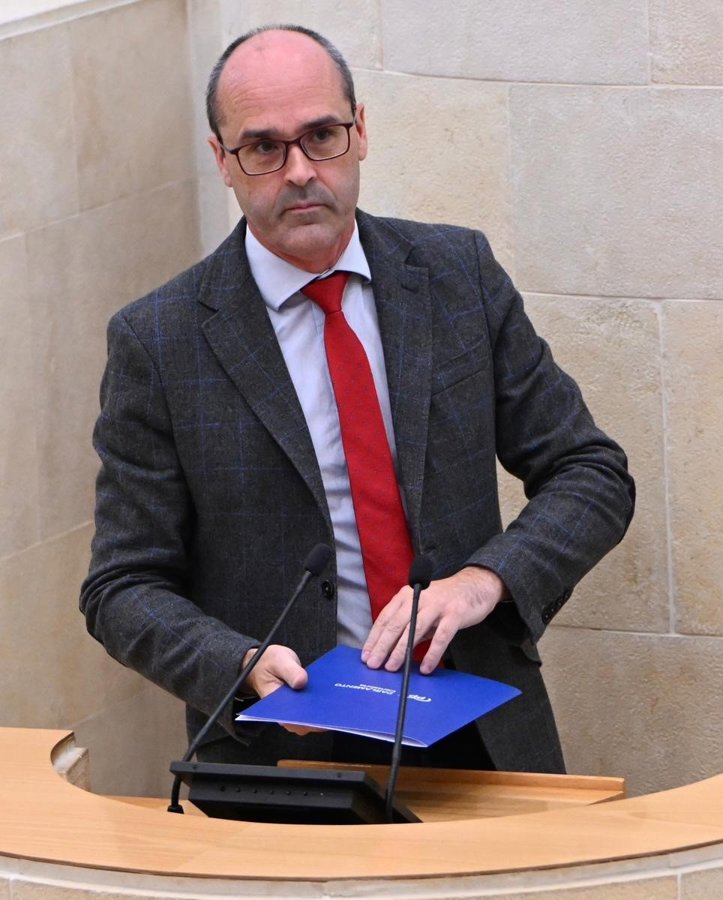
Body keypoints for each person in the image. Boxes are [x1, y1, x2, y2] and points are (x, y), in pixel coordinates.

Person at [79, 24, 634, 774]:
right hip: (281, 747)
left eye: (321, 136)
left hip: (480, 728)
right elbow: (121, 586)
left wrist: (487, 580)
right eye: (264, 147)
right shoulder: (159, 341)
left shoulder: (458, 275)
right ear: (222, 161)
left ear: (360, 131)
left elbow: (591, 473)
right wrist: (237, 664)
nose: (300, 171)